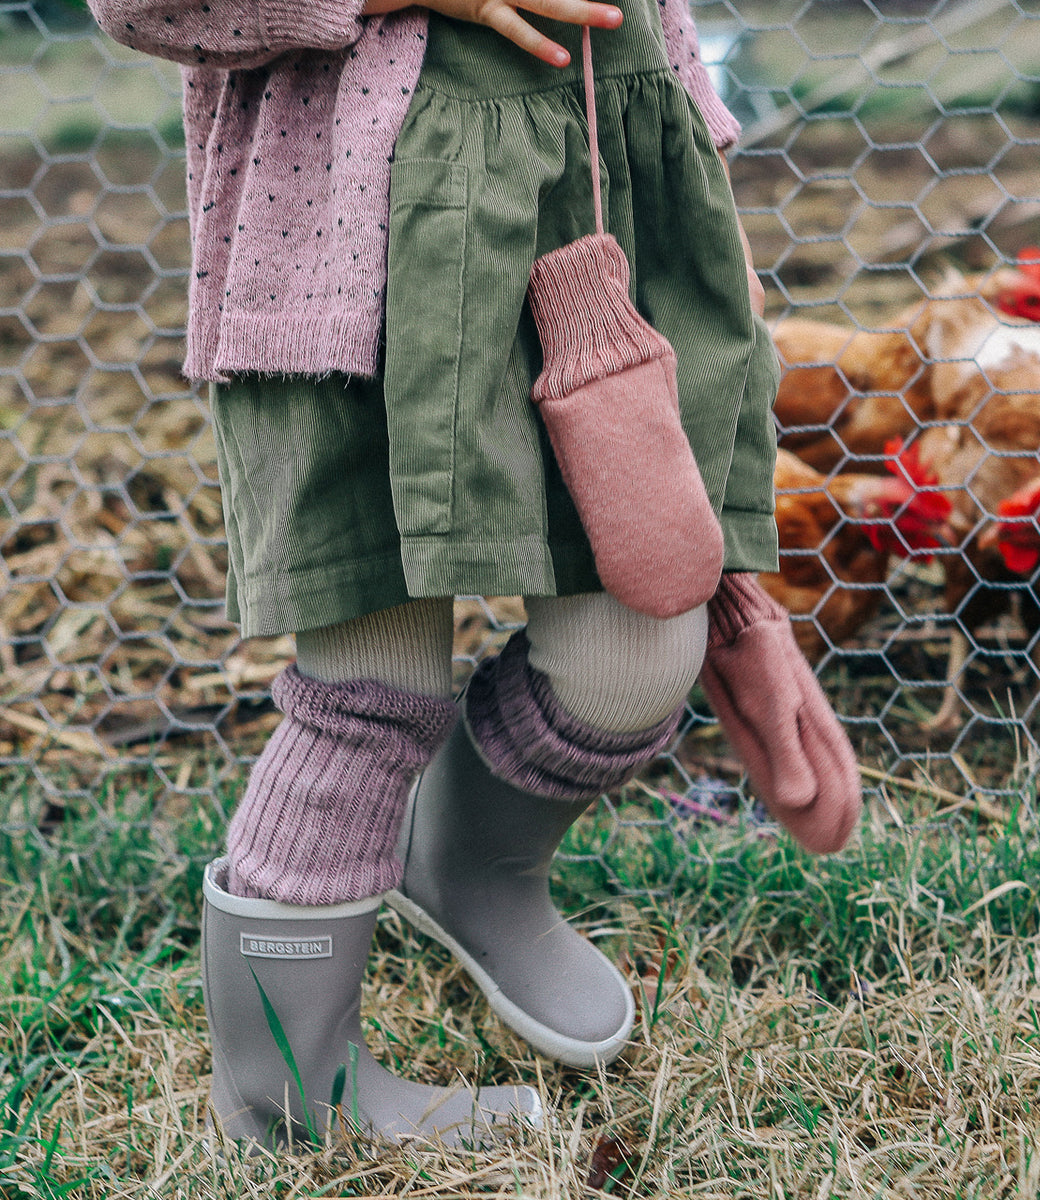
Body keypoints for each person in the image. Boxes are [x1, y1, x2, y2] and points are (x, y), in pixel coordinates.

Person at [85, 0, 823, 1155]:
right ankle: (290, 1098)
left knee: (638, 646)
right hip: (352, 252)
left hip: (591, 244)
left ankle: (471, 862)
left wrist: (707, 206)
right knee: (371, 684)